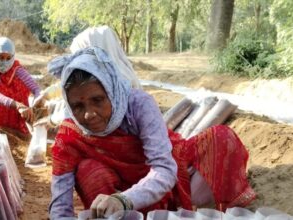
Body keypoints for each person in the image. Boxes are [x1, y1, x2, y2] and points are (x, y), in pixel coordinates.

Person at [47, 47, 255, 219]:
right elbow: (60, 209)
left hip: (160, 181)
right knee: (89, 171)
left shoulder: (138, 105)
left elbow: (164, 169)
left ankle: (199, 211)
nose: (89, 114)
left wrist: (125, 200)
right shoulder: (70, 135)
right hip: (115, 192)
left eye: (98, 100)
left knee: (220, 139)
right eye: (78, 106)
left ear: (111, 91)